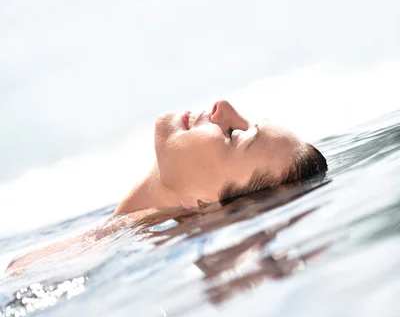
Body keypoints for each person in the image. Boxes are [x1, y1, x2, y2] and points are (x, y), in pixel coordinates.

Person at [6, 100, 327, 275]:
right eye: (249, 122)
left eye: (232, 135)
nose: (223, 107)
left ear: (205, 204)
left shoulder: (87, 252)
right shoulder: (102, 241)